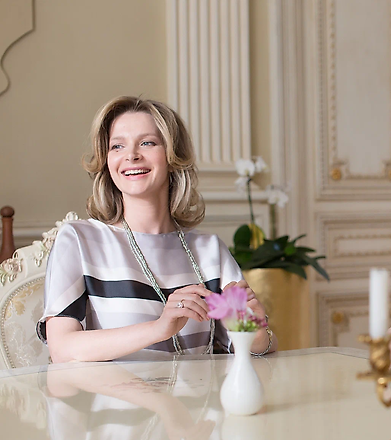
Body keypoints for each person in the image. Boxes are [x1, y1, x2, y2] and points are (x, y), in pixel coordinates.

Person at [38, 96, 277, 362]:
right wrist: (159, 328)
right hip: (115, 390)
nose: (131, 155)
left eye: (147, 143)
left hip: (202, 391)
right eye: (117, 146)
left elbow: (255, 349)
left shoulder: (209, 249)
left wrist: (255, 330)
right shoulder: (79, 240)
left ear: (173, 157)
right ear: (107, 161)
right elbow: (62, 348)